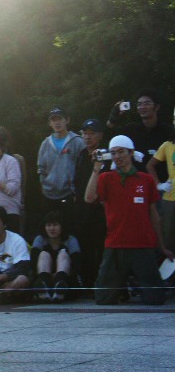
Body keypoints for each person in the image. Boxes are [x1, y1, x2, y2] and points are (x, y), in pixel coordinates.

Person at [85, 135, 174, 305]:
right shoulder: (106, 178)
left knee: (155, 299)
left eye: (121, 152)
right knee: (103, 299)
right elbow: (89, 198)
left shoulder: (146, 179)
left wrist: (162, 246)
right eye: (113, 153)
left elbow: (154, 215)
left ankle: (134, 283)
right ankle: (122, 286)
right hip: (116, 244)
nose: (117, 156)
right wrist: (96, 170)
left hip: (143, 245)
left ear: (131, 152)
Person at [106, 88, 175, 179]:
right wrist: (113, 117)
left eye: (147, 103)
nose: (142, 107)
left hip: (162, 183)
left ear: (157, 107)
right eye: (139, 104)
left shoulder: (168, 131)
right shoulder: (131, 130)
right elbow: (111, 138)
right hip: (136, 183)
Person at [37, 107, 84, 231]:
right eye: (53, 120)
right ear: (49, 123)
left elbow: (83, 168)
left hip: (69, 194)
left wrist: (76, 192)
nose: (57, 122)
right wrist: (43, 185)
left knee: (69, 229)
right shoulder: (45, 143)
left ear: (67, 120)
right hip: (48, 195)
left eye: (60, 119)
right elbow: (41, 168)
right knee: (49, 229)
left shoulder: (78, 142)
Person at [73, 119, 107, 289]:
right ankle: (86, 284)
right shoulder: (81, 154)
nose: (87, 137)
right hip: (81, 210)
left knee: (100, 248)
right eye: (84, 133)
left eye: (91, 133)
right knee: (84, 246)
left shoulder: (106, 155)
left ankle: (101, 283)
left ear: (100, 135)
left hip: (100, 210)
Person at [31, 211, 81, 302]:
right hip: (44, 278)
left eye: (55, 225)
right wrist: (49, 277)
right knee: (44, 254)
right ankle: (44, 286)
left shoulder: (71, 240)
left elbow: (76, 265)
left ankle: (59, 288)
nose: (51, 228)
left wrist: (57, 276)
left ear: (62, 227)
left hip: (66, 281)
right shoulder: (40, 239)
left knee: (63, 254)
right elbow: (33, 264)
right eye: (48, 225)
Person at [147, 132, 175, 253]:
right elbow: (150, 165)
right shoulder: (168, 145)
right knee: (167, 237)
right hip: (170, 198)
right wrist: (159, 185)